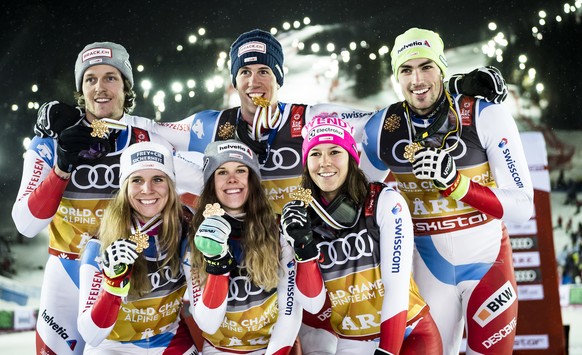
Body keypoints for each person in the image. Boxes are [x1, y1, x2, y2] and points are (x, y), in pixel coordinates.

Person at [32, 29, 508, 354]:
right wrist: (66, 117)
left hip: (302, 254)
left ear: (278, 76)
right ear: (234, 79)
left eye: (264, 71)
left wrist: (456, 88)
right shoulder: (209, 126)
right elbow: (146, 125)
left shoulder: (309, 119)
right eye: (245, 72)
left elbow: (384, 116)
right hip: (241, 250)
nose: (254, 81)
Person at [12, 41, 201, 354]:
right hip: (68, 271)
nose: (100, 87)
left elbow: (209, 155)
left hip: (132, 275)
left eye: (110, 77)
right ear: (81, 89)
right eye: (90, 79)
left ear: (126, 87)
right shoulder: (50, 139)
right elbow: (26, 224)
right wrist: (61, 168)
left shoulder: (147, 137)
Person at [360, 27, 534, 354]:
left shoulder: (484, 114)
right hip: (427, 269)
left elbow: (523, 207)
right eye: (406, 70)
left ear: (442, 68)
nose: (417, 79)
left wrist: (458, 185)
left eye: (427, 67)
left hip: (487, 262)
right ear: (396, 77)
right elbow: (356, 192)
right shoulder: (383, 127)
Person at [281, 115, 443, 355]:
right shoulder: (298, 216)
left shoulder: (384, 202)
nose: (324, 163)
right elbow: (313, 305)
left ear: (351, 157)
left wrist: (386, 352)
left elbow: (396, 286)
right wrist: (303, 250)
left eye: (335, 151)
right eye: (315, 154)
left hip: (409, 332)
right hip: (353, 340)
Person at [183, 139, 302, 354]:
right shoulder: (195, 235)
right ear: (211, 182)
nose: (232, 179)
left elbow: (290, 310)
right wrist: (216, 265)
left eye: (240, 170)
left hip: (271, 347)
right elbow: (207, 323)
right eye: (221, 172)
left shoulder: (277, 229)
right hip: (219, 348)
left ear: (253, 179)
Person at [77, 141, 197, 354]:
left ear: (170, 185)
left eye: (158, 179)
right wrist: (112, 283)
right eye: (137, 180)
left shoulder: (187, 228)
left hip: (168, 338)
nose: (147, 189)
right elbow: (91, 335)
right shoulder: (101, 242)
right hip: (113, 346)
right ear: (125, 187)